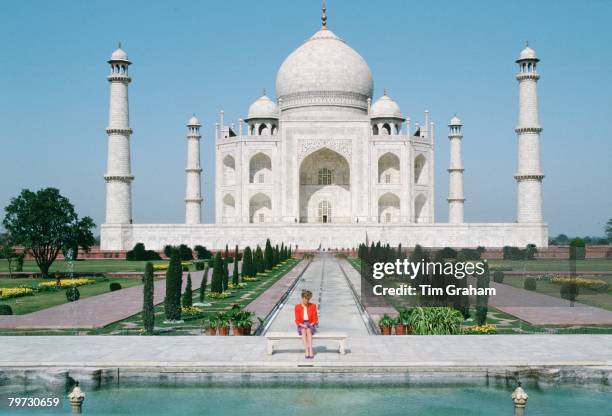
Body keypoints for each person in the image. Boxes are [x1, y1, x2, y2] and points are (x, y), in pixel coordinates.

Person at [294, 289, 318, 359]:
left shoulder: (313, 306)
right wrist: (303, 325)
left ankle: (310, 349)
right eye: (305, 299)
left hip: (310, 324)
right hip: (301, 324)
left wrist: (311, 324)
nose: (307, 301)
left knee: (308, 330)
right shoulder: (297, 307)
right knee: (304, 330)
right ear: (302, 298)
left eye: (308, 299)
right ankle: (306, 350)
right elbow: (297, 320)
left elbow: (315, 319)